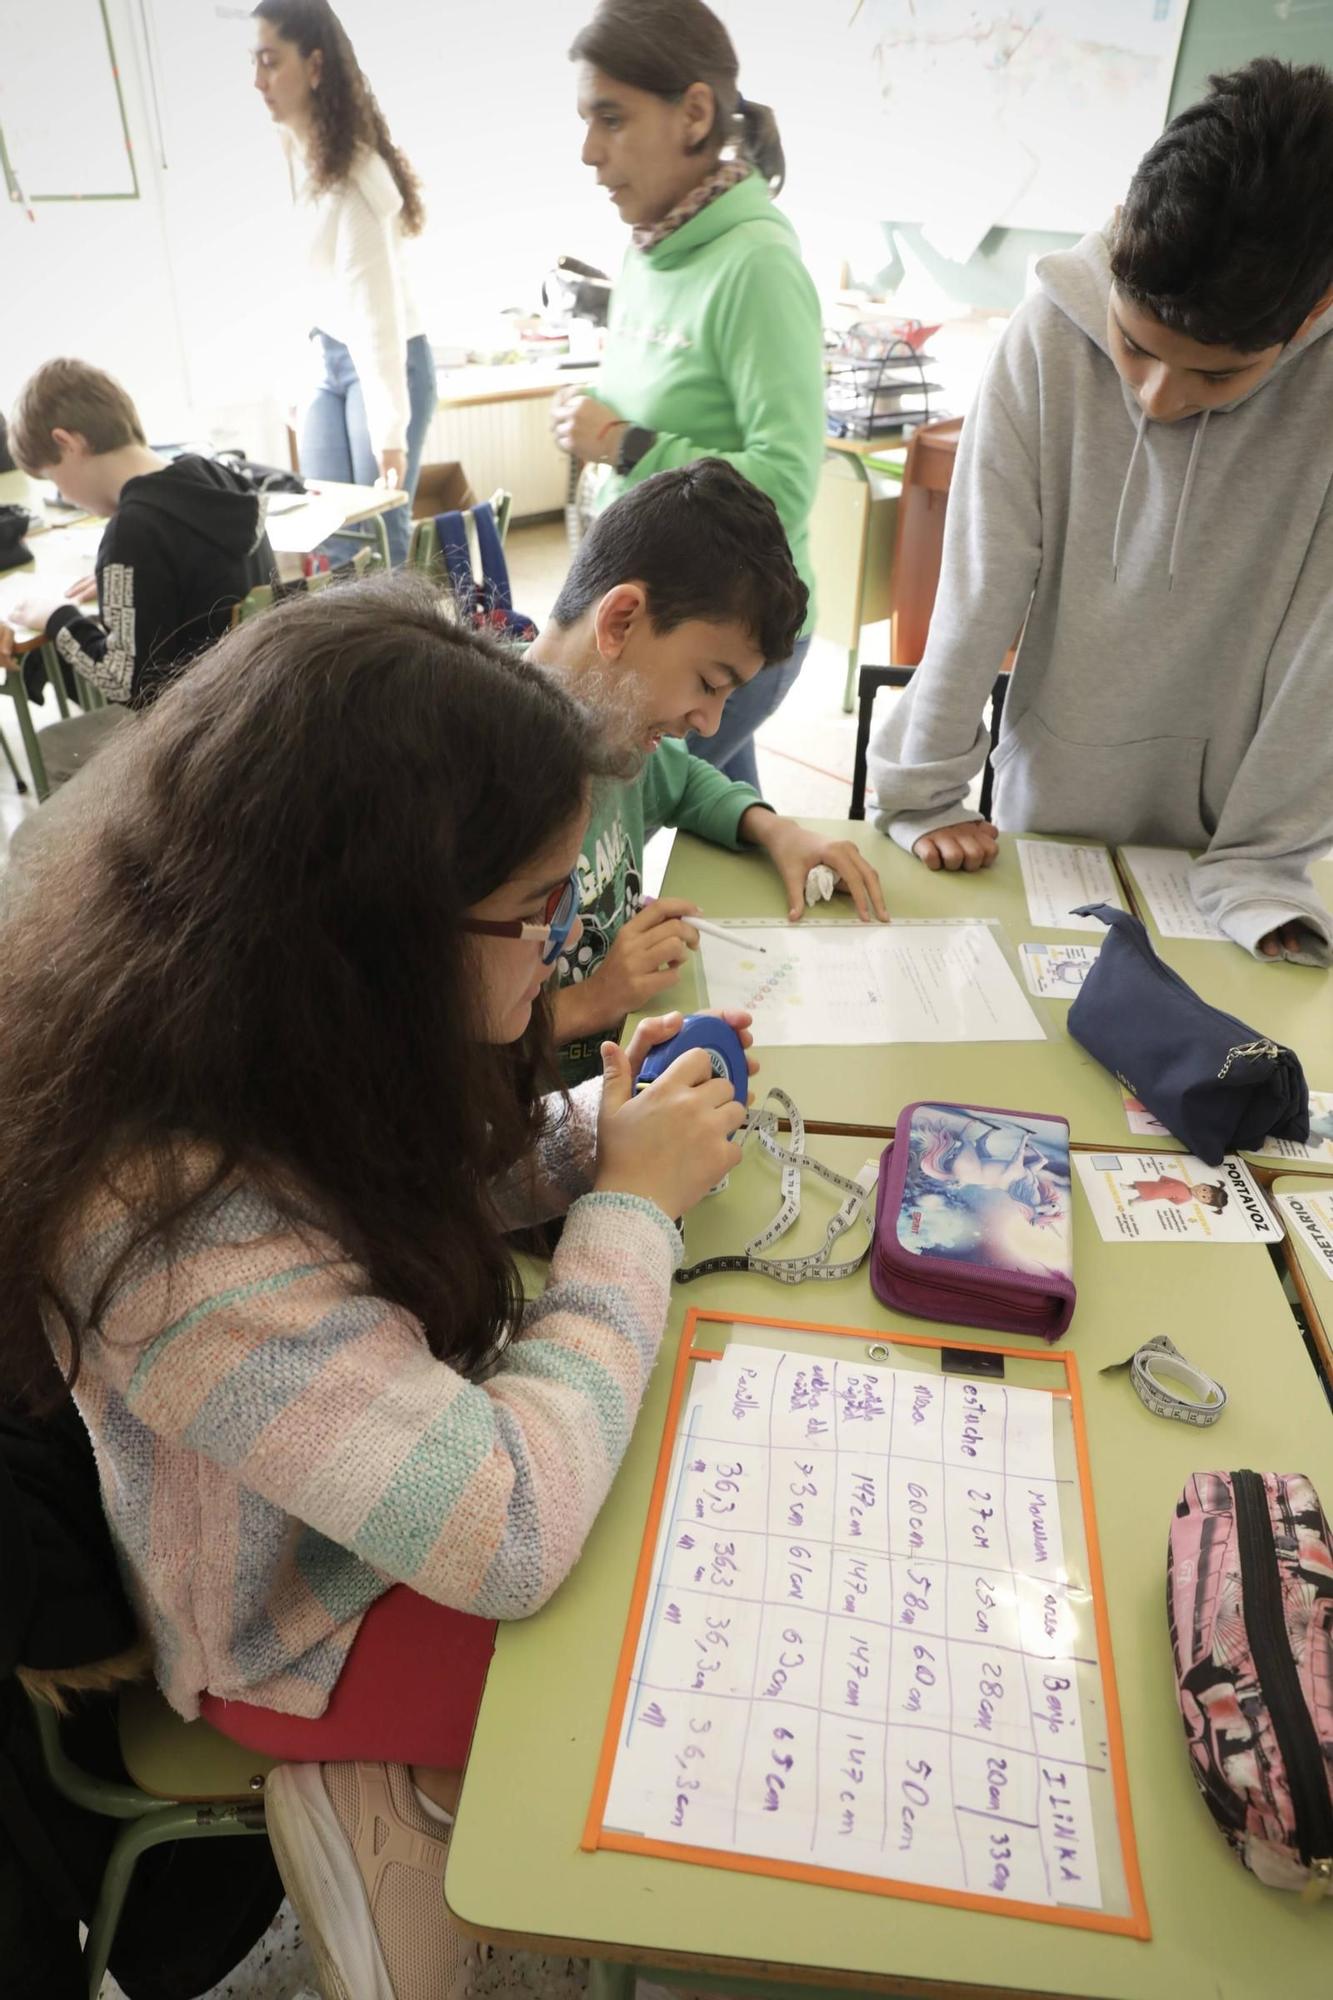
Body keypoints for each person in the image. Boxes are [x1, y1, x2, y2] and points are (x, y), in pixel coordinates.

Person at [0, 573, 754, 1999]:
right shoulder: (173, 1238)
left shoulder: (261, 1039)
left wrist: (603, 1142)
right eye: (537, 913)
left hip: (376, 1503)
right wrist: (631, 1214)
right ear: (373, 933)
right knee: (672, 1684)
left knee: (672, 1509)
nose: (563, 950)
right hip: (293, 1628)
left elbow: (413, 1186)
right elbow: (514, 1528)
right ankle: (373, 1806)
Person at [867, 58, 1333, 966]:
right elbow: (979, 580)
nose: (1156, 398)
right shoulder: (1046, 331)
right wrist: (922, 792)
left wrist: (1266, 863)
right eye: (1131, 344)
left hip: (1232, 843)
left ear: (1314, 309)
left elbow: (1325, 648)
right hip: (1045, 810)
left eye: (1216, 375)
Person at [529, 461, 889, 1082]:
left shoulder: (614, 729)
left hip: (611, 1075)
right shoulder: (474, 767)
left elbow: (688, 780)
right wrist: (590, 1001)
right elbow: (420, 1041)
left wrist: (776, 831)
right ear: (620, 621)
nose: (712, 723)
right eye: (707, 683)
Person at [552, 0, 825, 789]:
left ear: (694, 114)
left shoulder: (757, 265)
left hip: (722, 632)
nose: (588, 151)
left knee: (618, 803)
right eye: (584, 120)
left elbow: (786, 483)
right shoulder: (648, 248)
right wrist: (594, 428)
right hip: (659, 613)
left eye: (611, 118)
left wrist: (624, 445)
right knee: (729, 821)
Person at [1, 358, 274, 783]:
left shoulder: (132, 532)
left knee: (54, 747)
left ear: (67, 442)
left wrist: (56, 617)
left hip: (198, 739)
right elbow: (195, 570)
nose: (65, 496)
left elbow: (127, 684)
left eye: (55, 479)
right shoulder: (218, 478)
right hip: (260, 709)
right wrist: (124, 580)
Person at [252, 0, 435, 567]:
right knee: (331, 537)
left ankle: (396, 656)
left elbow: (376, 318)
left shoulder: (356, 177)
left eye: (269, 61)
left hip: (384, 362)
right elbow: (295, 288)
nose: (257, 81)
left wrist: (391, 435)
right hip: (326, 357)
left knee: (381, 536)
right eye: (253, 62)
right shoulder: (289, 153)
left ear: (313, 67)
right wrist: (292, 383)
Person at [1128, 1174, 1228, 1210]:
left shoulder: (1187, 1198)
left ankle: (1134, 1201)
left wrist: (1168, 1195)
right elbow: (1171, 1181)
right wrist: (1164, 1182)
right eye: (1204, 1190)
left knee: (1148, 1195)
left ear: (1202, 1202)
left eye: (1204, 1197)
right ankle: (1129, 1187)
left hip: (1161, 1193)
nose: (1199, 1192)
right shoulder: (1183, 1184)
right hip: (1160, 1186)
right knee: (1144, 1186)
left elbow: (1176, 1201)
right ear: (1203, 1184)